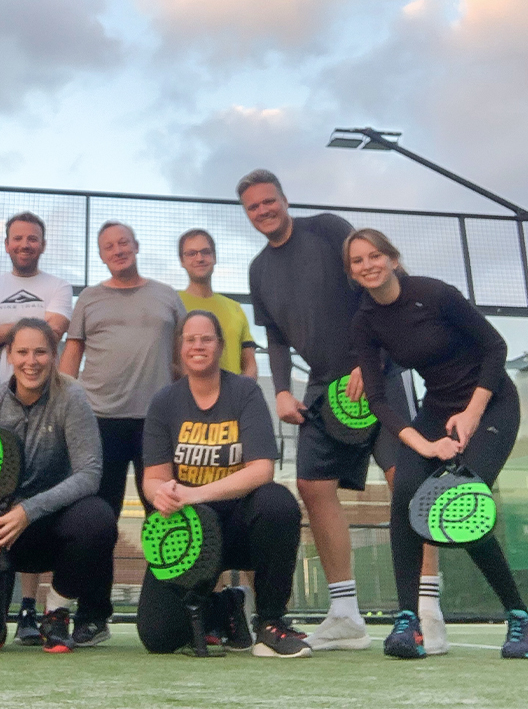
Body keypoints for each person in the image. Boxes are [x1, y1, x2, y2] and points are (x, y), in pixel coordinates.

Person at [238, 169, 444, 653]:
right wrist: (282, 391)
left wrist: (370, 361)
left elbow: (380, 285)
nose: (263, 210)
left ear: (285, 199)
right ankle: (346, 615)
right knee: (312, 485)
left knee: (407, 482)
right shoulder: (258, 270)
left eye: (269, 201)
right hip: (323, 388)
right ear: (247, 214)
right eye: (253, 207)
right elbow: (275, 338)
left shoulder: (328, 229)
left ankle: (427, 613)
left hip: (380, 373)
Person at [345, 228, 528, 659]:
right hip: (437, 410)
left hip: (491, 403)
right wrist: (425, 446)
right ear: (351, 272)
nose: (368, 265)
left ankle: (519, 615)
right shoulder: (365, 322)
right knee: (405, 494)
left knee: (462, 502)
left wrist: (473, 413)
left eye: (375, 255)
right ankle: (408, 622)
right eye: (357, 260)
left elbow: (496, 346)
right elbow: (377, 399)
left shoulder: (434, 294)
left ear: (392, 259)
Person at [137, 311, 309, 658]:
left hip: (241, 525)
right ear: (180, 347)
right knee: (159, 637)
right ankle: (225, 607)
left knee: (278, 503)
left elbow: (262, 470)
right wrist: (162, 494)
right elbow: (153, 478)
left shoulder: (245, 392)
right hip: (190, 534)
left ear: (220, 345)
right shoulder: (164, 402)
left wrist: (195, 493)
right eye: (190, 339)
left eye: (206, 339)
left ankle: (270, 622)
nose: (198, 345)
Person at [0, 318, 116, 653]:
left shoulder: (72, 398)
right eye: (22, 352)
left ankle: (56, 611)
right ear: (9, 355)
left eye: (40, 352)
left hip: (48, 526)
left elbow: (90, 473)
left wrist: (27, 511)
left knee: (97, 518)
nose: (31, 361)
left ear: (54, 355)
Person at [0, 211, 72, 645]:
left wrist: (0, 332)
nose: (25, 245)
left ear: (42, 244)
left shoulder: (58, 286)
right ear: (7, 243)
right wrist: (28, 327)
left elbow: (53, 332)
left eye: (33, 239)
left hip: (42, 411)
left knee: (33, 497)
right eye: (18, 238)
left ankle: (28, 607)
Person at [60, 220, 186, 521]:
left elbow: (183, 354)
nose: (118, 250)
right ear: (101, 256)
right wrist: (60, 408)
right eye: (109, 247)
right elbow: (72, 353)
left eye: (123, 242)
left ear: (136, 246)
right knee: (100, 513)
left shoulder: (168, 296)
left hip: (157, 420)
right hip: (98, 419)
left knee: (164, 512)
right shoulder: (89, 298)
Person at [178, 228, 258, 379]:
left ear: (214, 257)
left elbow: (249, 362)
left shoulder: (235, 308)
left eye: (205, 252)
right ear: (182, 261)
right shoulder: (173, 304)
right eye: (191, 253)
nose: (199, 258)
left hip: (234, 394)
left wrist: (244, 389)